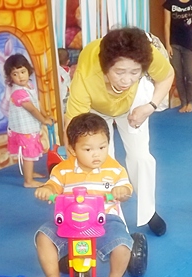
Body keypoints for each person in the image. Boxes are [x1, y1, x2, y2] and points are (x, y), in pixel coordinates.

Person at [65, 27, 174, 236]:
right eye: (119, 72)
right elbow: (74, 126)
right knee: (100, 160)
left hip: (135, 104)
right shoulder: (87, 74)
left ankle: (148, 212)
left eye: (135, 72)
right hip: (97, 108)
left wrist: (150, 106)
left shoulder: (148, 55)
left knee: (141, 157)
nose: (126, 79)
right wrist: (73, 163)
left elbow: (167, 75)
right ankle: (114, 218)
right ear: (106, 67)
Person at [33, 113, 134, 277]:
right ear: (72, 149)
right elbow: (53, 185)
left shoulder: (114, 169)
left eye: (102, 147)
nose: (96, 154)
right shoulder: (62, 169)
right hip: (70, 220)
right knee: (43, 236)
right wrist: (46, 190)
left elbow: (126, 189)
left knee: (122, 244)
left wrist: (122, 191)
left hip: (104, 218)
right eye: (88, 149)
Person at [3, 53, 53, 188]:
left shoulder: (29, 85)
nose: (20, 77)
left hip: (30, 127)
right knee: (28, 154)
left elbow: (36, 103)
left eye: (23, 72)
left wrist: (45, 115)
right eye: (15, 74)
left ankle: (30, 173)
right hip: (23, 129)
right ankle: (28, 181)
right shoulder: (18, 92)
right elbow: (31, 109)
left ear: (28, 71)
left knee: (30, 153)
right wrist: (44, 120)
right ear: (10, 77)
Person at [163, 0, 192, 113]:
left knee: (189, 73)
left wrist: (186, 27)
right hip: (174, 43)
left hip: (188, 43)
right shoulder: (170, 3)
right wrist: (167, 45)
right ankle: (183, 102)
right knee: (178, 74)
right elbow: (167, 24)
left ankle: (190, 102)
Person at [57, 48, 71, 114]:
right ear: (68, 61)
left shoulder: (56, 70)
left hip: (60, 96)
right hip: (67, 95)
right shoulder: (69, 70)